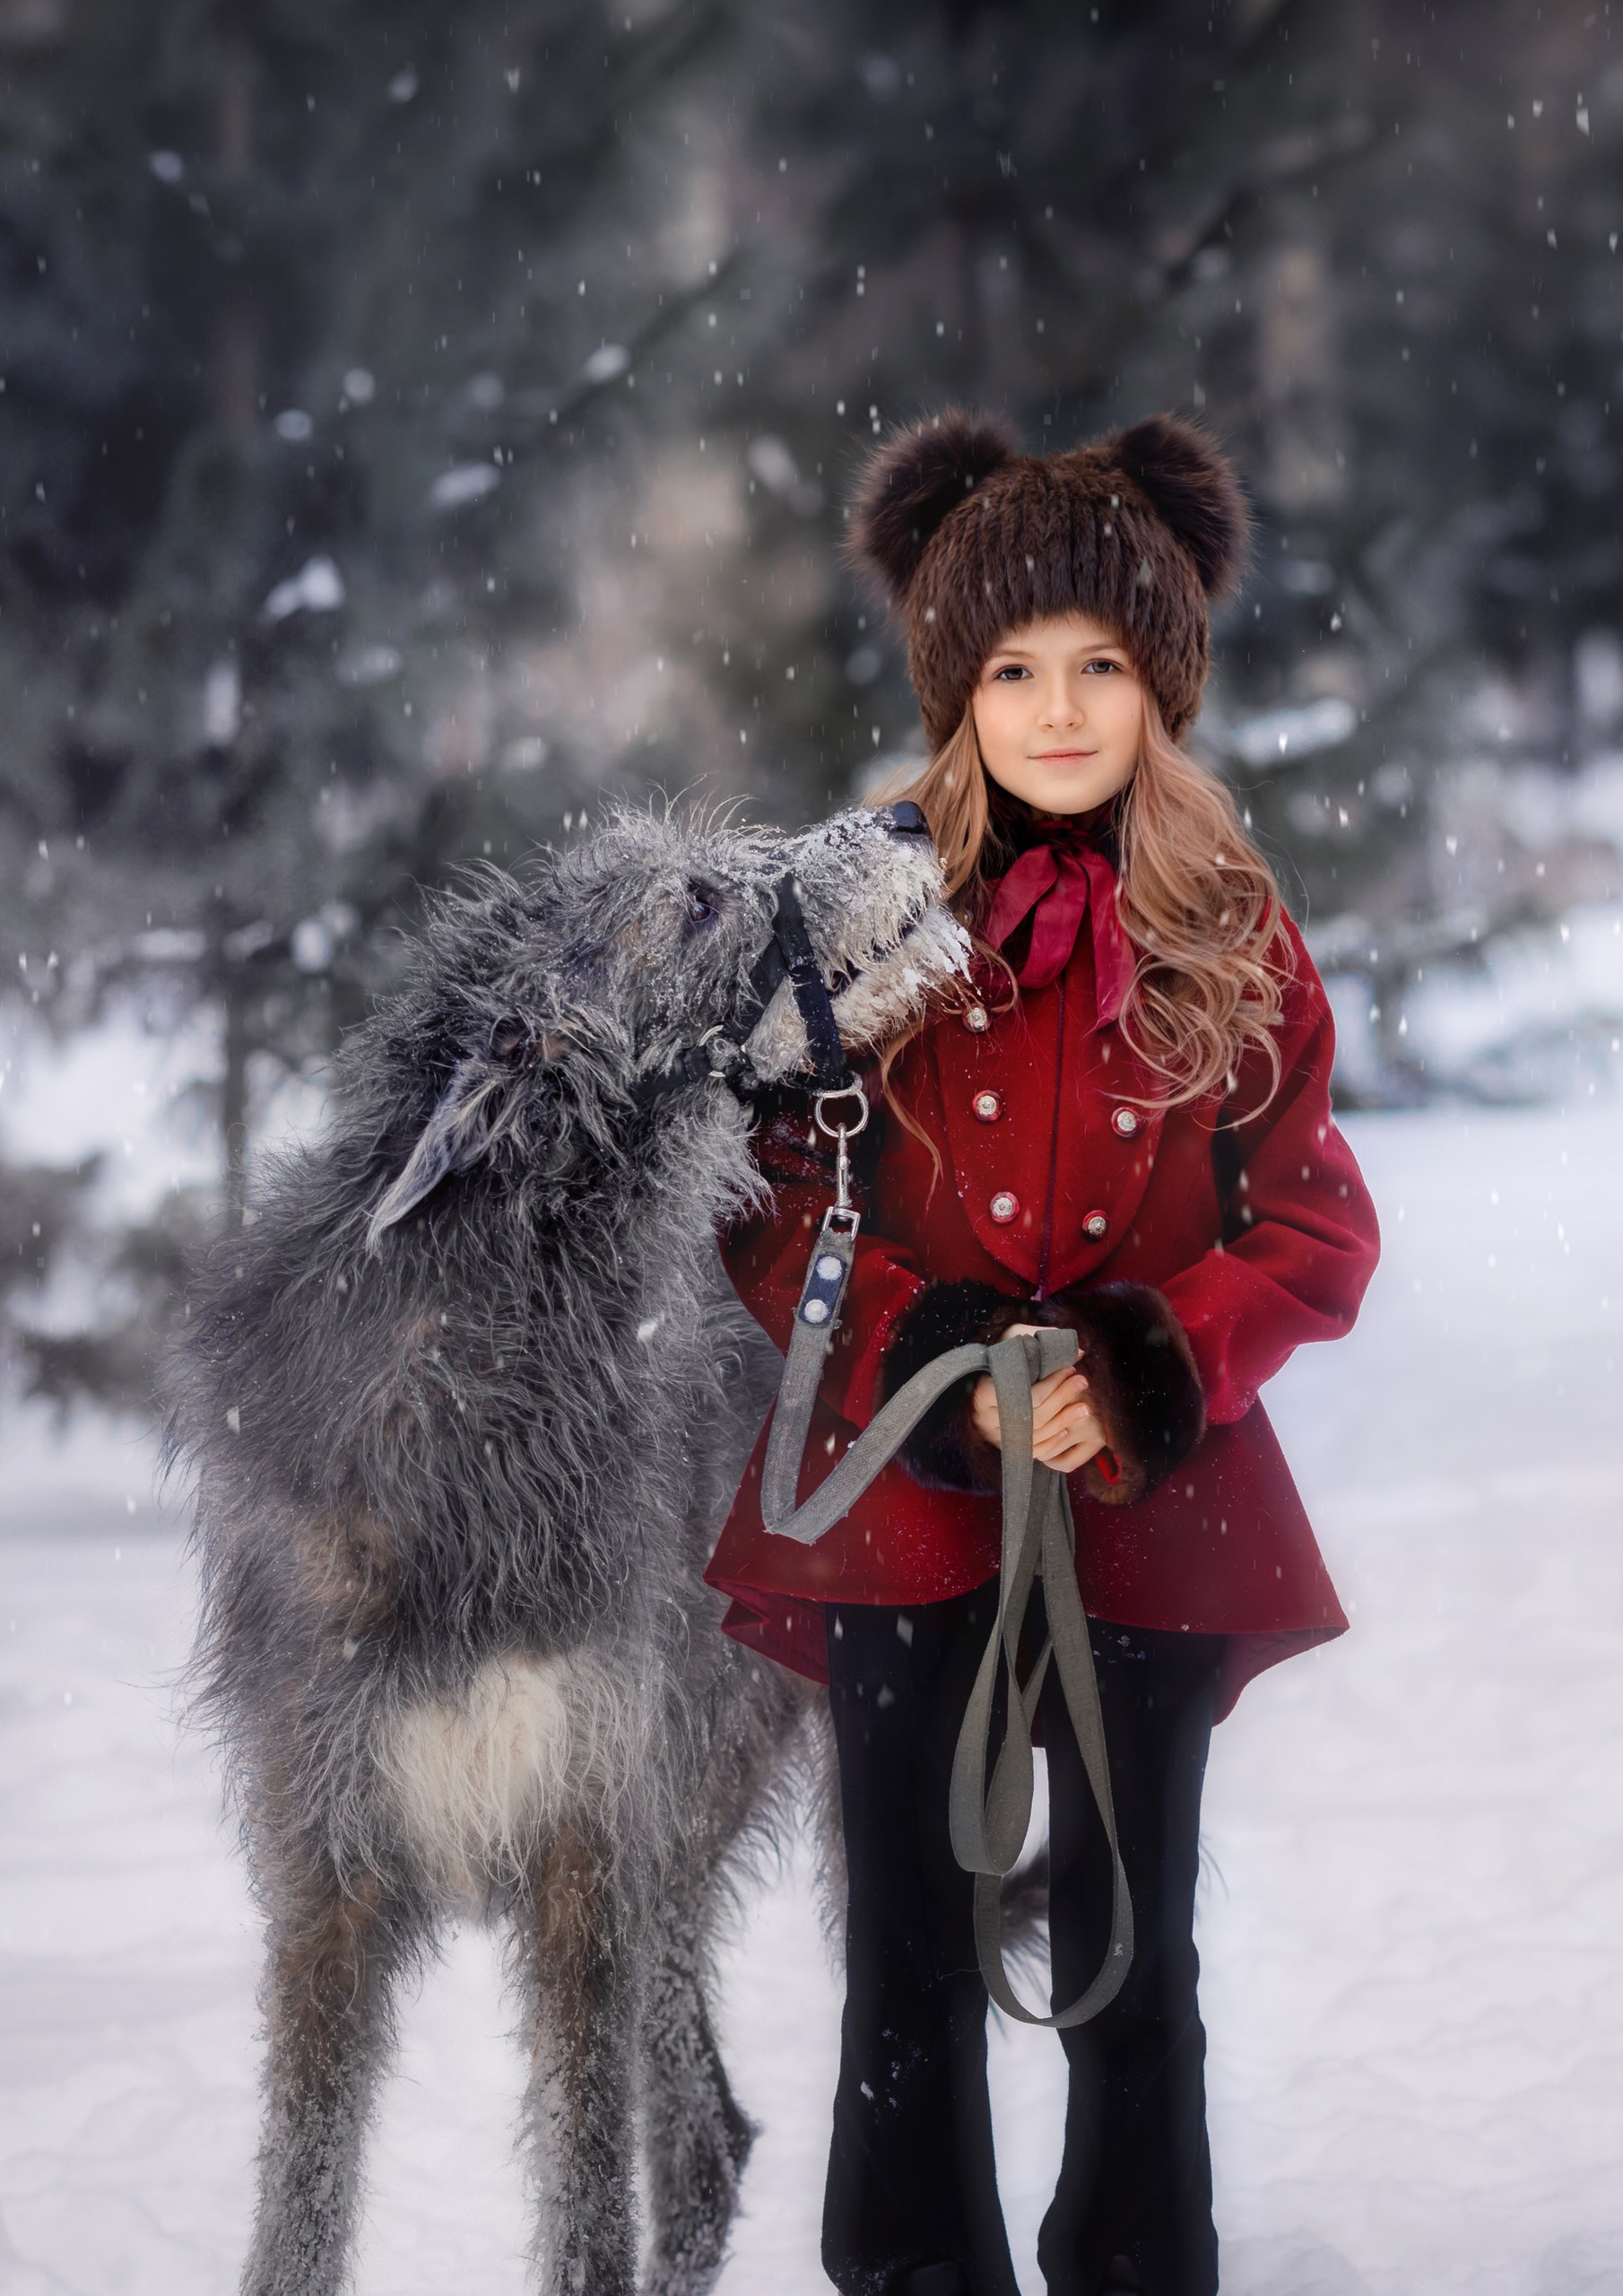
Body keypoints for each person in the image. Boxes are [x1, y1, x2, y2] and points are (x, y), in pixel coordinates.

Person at [704, 411, 1382, 2296]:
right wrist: (917, 1350)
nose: (1059, 709)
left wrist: (1155, 1361)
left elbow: (1314, 1226)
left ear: (1161, 683)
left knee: (1128, 1933)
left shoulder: (1229, 929)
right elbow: (767, 1199)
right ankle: (915, 2268)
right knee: (907, 1941)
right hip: (907, 1499)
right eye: (1012, 669)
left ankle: (1137, 2263)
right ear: (955, 688)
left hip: (1151, 1500)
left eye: (1099, 665)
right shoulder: (859, 917)